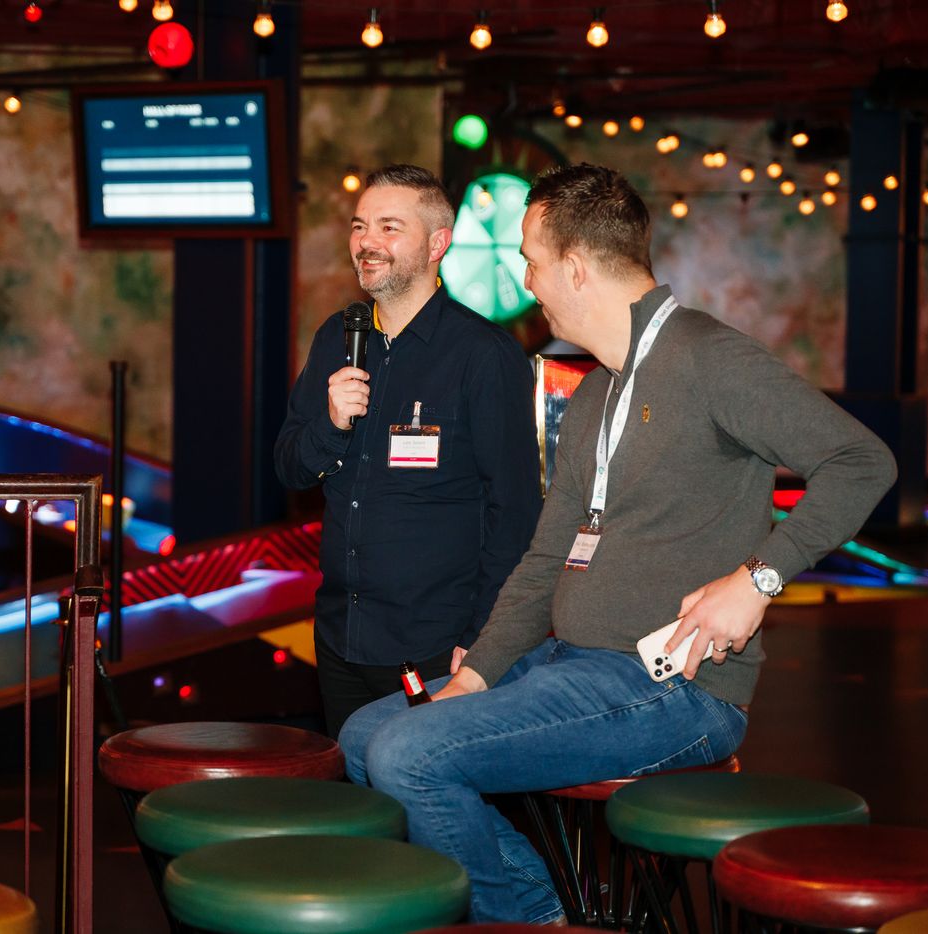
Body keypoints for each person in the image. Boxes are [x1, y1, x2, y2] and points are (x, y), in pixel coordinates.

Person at [338, 163, 898, 924]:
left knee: (408, 754)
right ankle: (536, 907)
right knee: (366, 733)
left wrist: (758, 578)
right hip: (572, 666)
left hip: (671, 689)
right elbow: (548, 557)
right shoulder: (599, 385)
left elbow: (863, 461)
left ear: (574, 267)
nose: (528, 283)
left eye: (533, 262)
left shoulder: (708, 356)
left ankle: (525, 918)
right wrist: (478, 673)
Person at [274, 164, 542, 738]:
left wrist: (484, 638)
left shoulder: (484, 354)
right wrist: (330, 424)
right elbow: (289, 468)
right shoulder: (336, 338)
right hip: (341, 637)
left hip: (437, 646)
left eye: (389, 227)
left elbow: (515, 512)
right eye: (359, 226)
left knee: (422, 790)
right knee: (354, 790)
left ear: (437, 244)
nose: (367, 242)